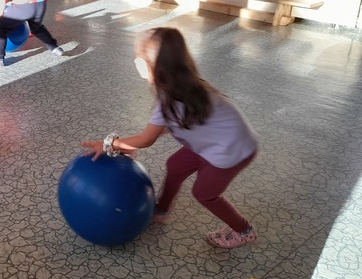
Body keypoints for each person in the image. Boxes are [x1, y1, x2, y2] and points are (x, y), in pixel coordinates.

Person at [81, 27, 259, 249]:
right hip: (216, 142)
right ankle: (162, 209)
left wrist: (110, 144)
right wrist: (127, 145)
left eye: (138, 57)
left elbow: (147, 139)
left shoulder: (171, 98)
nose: (135, 60)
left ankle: (244, 231)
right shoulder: (180, 85)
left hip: (233, 150)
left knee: (204, 194)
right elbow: (171, 124)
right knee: (175, 164)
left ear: (154, 66)